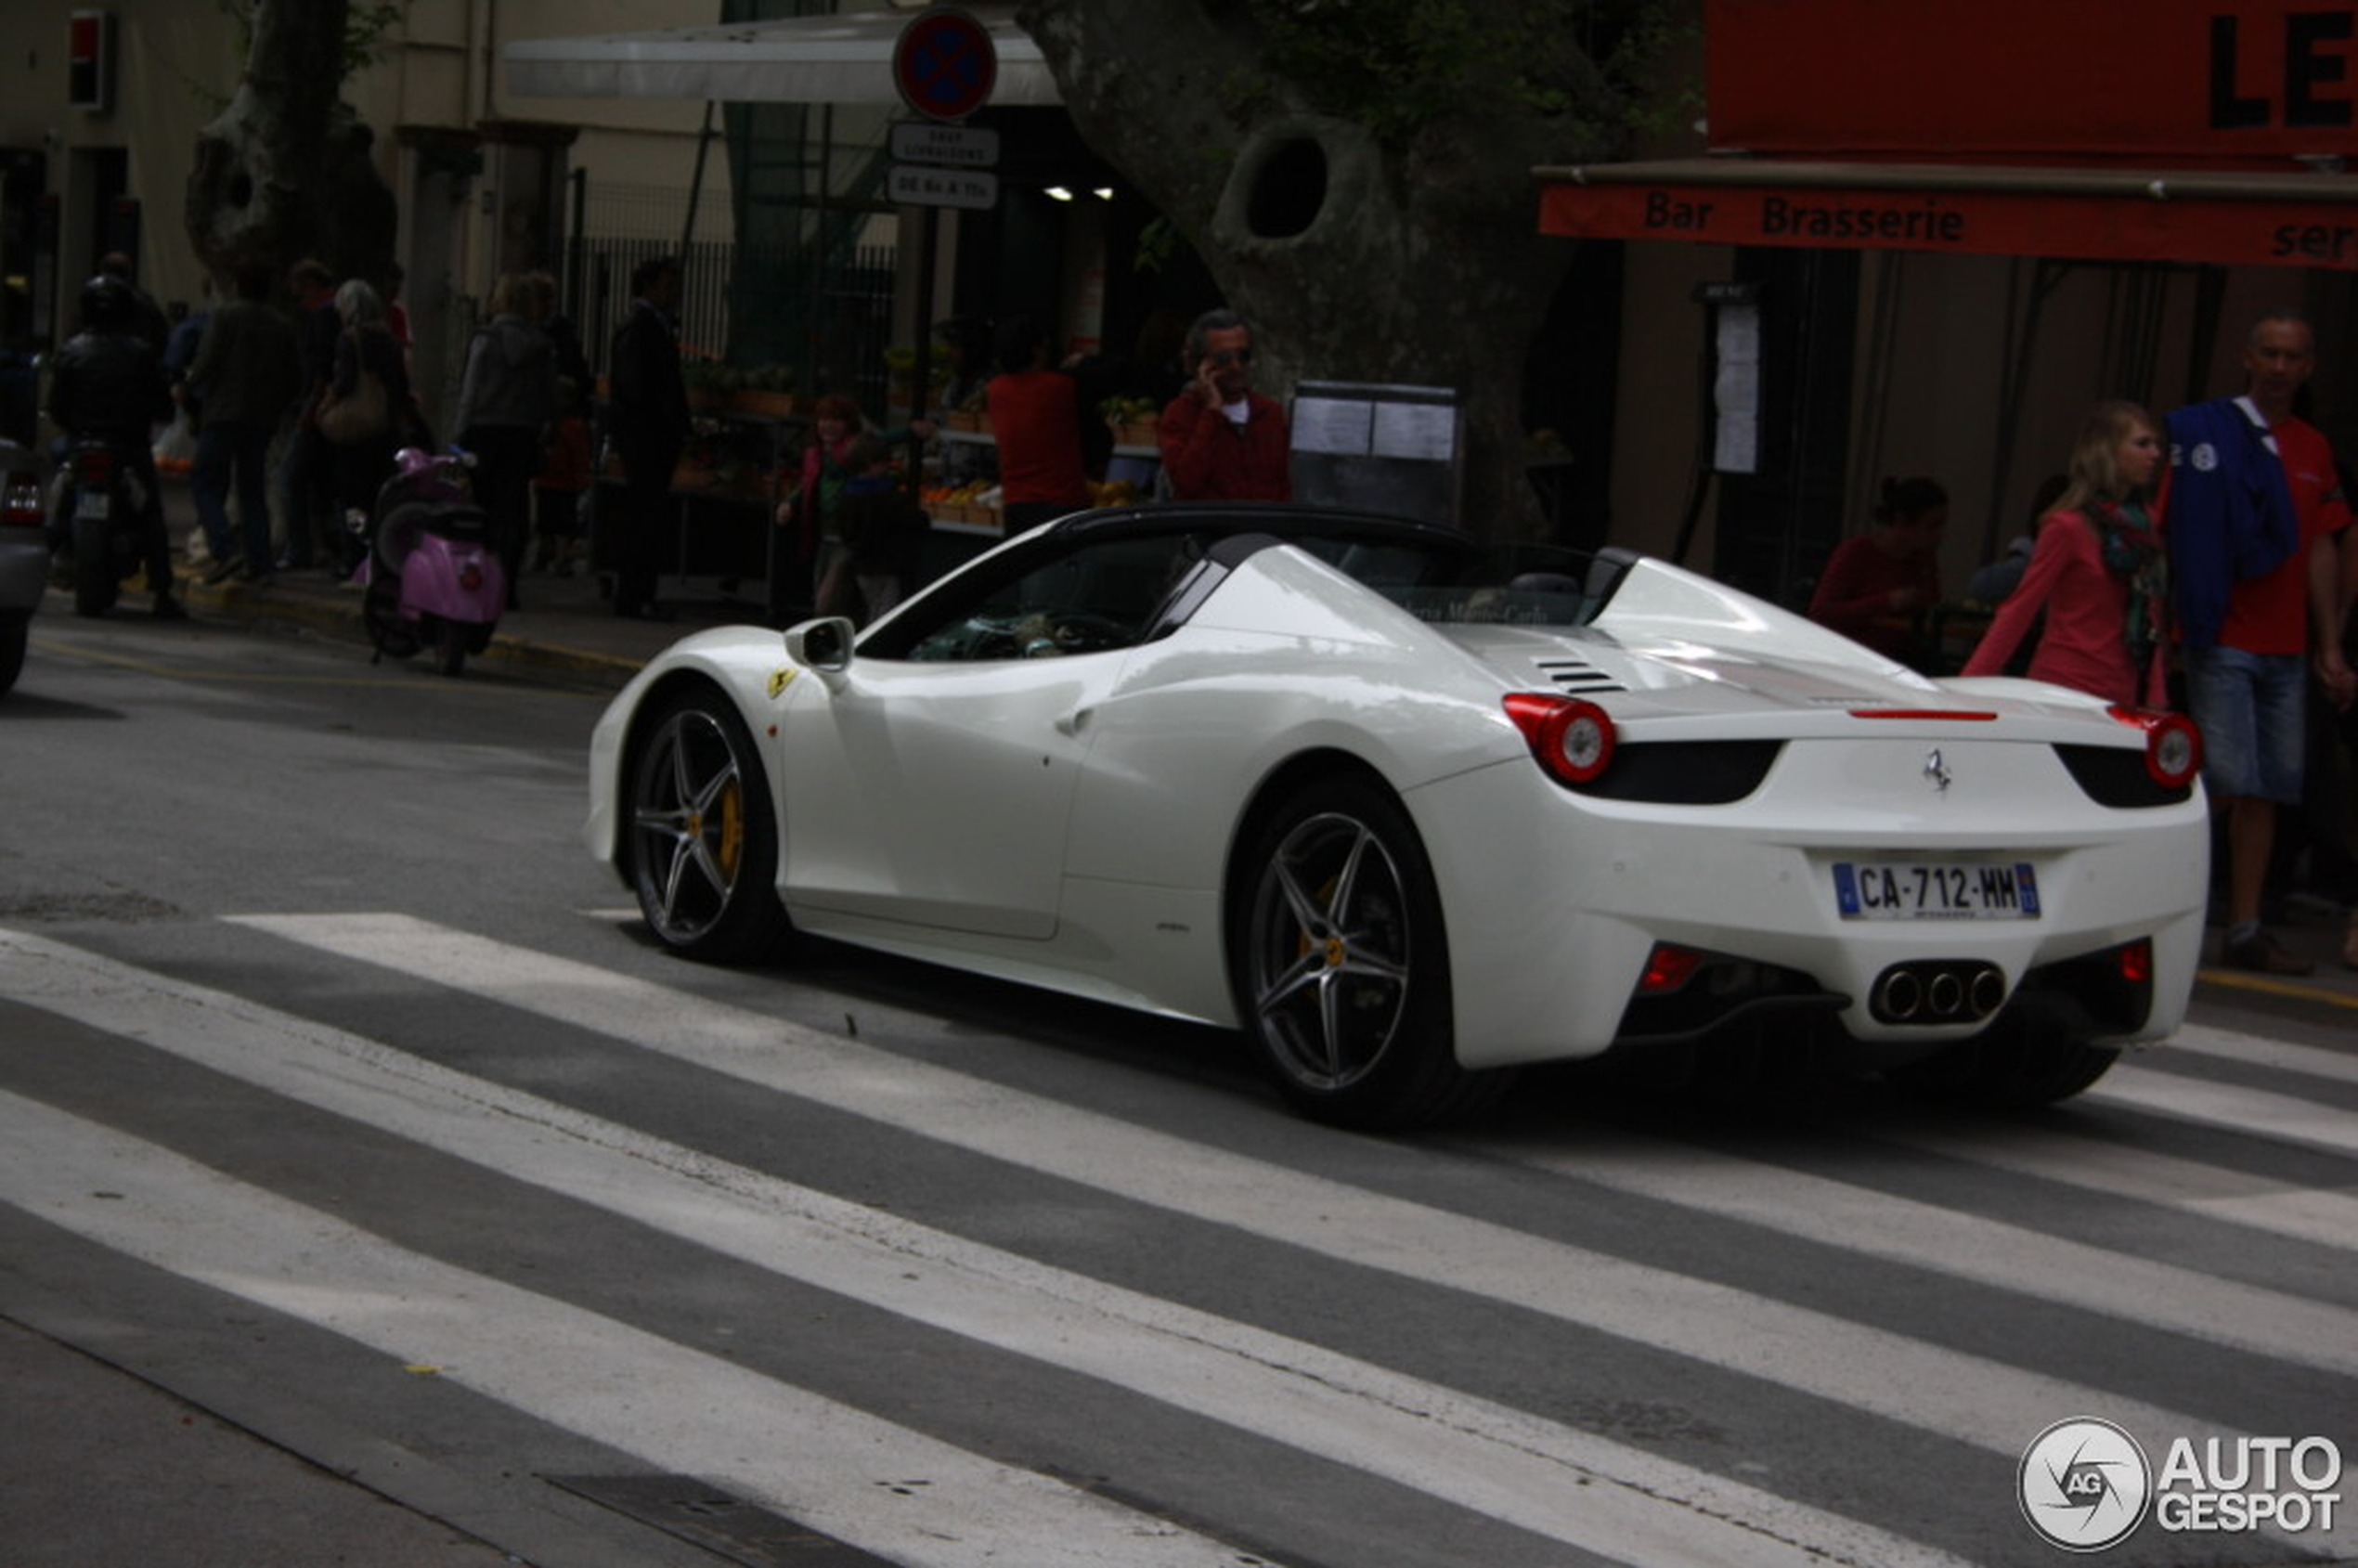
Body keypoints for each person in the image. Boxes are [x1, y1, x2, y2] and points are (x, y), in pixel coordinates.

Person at [2164, 309, 2355, 975]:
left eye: (2292, 357)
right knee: (2223, 779)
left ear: (2309, 368)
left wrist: (2330, 644)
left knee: (2267, 789)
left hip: (2286, 643)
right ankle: (2164, 911)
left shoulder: (2312, 447)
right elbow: (2166, 524)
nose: (2279, 368)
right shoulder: (2199, 432)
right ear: (2247, 357)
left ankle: (2243, 927)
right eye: (2269, 354)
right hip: (2221, 633)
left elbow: (2322, 547)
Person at [1963, 404, 2168, 706]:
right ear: (2106, 450)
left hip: (2121, 692)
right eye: (2142, 443)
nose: (2155, 454)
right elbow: (2019, 610)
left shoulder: (2144, 524)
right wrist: (1967, 689)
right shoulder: (2067, 526)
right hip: (2063, 688)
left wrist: (2157, 696)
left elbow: (2153, 616)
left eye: (2156, 444)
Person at [45, 274, 183, 618]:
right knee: (150, 514)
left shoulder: (72, 350)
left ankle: (48, 558)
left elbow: (57, 406)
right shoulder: (140, 353)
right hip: (128, 447)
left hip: (83, 443)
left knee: (56, 498)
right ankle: (162, 590)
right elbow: (162, 405)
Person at [184, 257, 304, 585]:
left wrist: (188, 386)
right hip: (261, 417)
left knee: (205, 481)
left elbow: (207, 360)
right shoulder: (281, 325)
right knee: (252, 488)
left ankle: (223, 547)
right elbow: (294, 376)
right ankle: (259, 559)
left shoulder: (226, 316)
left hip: (223, 412)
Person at [774, 394, 932, 623]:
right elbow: (807, 483)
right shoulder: (816, 455)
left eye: (836, 420)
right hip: (824, 538)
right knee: (832, 597)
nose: (828, 425)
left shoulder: (853, 453)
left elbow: (882, 439)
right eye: (823, 419)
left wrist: (909, 432)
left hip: (846, 541)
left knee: (827, 601)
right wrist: (790, 502)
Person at [452, 272, 557, 604]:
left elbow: (469, 391)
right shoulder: (541, 345)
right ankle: (507, 583)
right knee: (514, 510)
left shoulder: (485, 339)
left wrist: (458, 434)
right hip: (521, 432)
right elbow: (548, 394)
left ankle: (479, 577)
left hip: (484, 430)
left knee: (482, 508)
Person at [606, 255, 690, 622]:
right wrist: (659, 423)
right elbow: (634, 386)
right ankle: (635, 595)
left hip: (650, 434)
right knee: (644, 517)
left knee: (647, 517)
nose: (675, 292)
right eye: (668, 284)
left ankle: (639, 593)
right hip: (647, 437)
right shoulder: (640, 328)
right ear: (650, 286)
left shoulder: (652, 325)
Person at [1806, 476, 1947, 663]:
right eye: (1931, 526)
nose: (1940, 535)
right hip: (1852, 655)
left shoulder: (1922, 557)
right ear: (1902, 521)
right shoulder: (1857, 552)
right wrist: (1885, 602)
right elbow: (1821, 613)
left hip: (1899, 658)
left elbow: (1930, 602)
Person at [320, 279, 410, 574]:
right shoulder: (389, 341)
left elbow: (344, 382)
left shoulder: (350, 339)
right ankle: (380, 556)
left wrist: (326, 405)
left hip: (356, 430)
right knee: (378, 495)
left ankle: (354, 555)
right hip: (384, 429)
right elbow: (400, 385)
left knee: (351, 497)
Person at [1156, 307, 1291, 502]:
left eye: (1242, 356)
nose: (1235, 366)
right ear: (1202, 364)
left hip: (1263, 528)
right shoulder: (1180, 413)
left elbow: (1283, 484)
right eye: (1224, 358)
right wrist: (1212, 412)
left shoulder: (1269, 412)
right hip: (1208, 527)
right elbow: (1186, 483)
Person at [987, 315, 1094, 533]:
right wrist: (1081, 363)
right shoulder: (1061, 386)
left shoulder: (996, 390)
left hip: (1016, 503)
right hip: (1063, 501)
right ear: (1037, 350)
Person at [274, 259, 343, 570]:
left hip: (317, 410)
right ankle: (329, 544)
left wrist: (310, 408)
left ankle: (299, 548)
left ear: (313, 289)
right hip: (328, 409)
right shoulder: (338, 312)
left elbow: (322, 368)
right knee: (325, 480)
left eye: (301, 295)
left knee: (290, 477)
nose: (301, 304)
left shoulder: (325, 316)